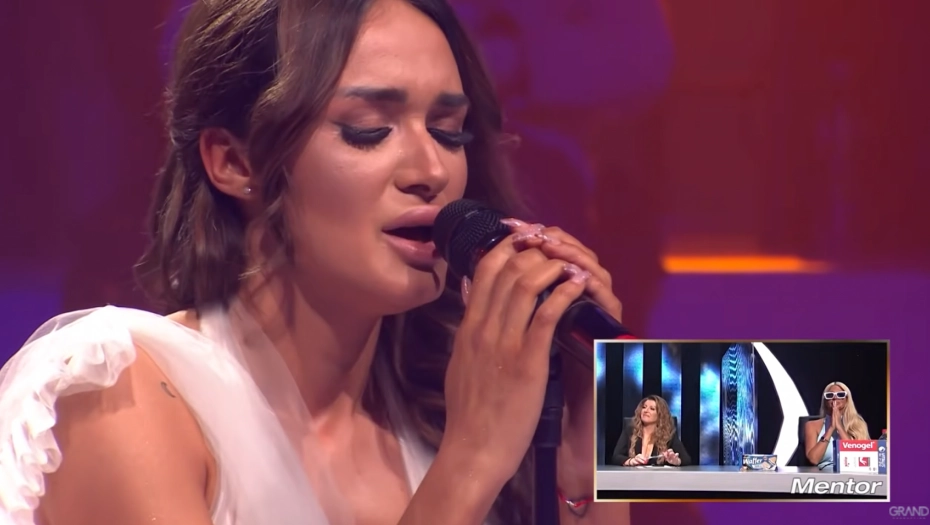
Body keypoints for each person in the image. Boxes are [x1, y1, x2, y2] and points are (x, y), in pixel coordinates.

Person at [0, 1, 628, 524]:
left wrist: (593, 453)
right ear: (235, 162)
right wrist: (471, 463)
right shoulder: (114, 385)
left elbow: (693, 453)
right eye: (368, 129)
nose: (432, 170)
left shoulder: (447, 399)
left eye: (448, 131)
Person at [803, 381, 870, 470]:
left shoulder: (858, 425)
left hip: (851, 472)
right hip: (823, 474)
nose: (835, 398)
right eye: (830, 395)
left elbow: (856, 457)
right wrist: (831, 428)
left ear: (847, 400)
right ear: (825, 401)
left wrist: (839, 427)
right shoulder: (812, 425)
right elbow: (813, 459)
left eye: (840, 395)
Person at [611, 395, 691, 467]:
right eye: (644, 407)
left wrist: (676, 461)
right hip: (633, 476)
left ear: (660, 415)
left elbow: (686, 459)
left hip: (658, 477)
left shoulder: (669, 434)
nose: (646, 410)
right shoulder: (630, 430)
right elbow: (616, 457)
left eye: (652, 409)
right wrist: (631, 461)